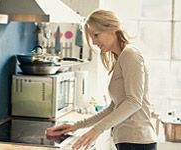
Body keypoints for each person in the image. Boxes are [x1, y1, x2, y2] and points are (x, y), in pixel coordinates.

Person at [46, 9, 157, 150]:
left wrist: (96, 130)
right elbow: (113, 107)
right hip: (129, 141)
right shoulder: (121, 57)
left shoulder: (130, 55)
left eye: (96, 35)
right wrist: (76, 126)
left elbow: (134, 102)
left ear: (112, 29)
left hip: (138, 142)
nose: (94, 42)